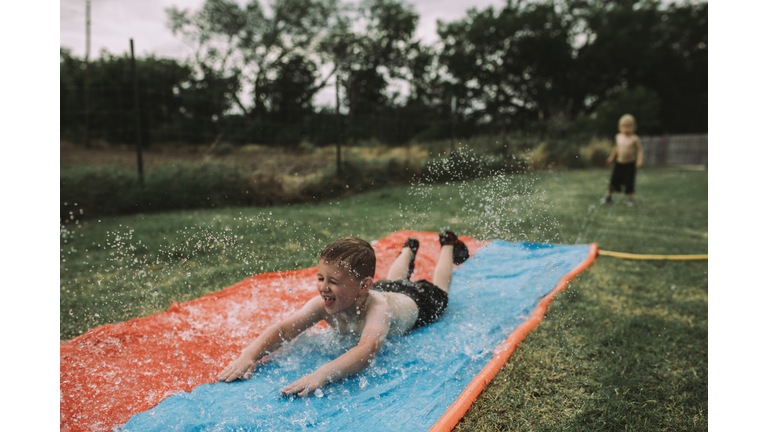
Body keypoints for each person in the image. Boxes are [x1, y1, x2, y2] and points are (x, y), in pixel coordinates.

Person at [217, 231, 470, 397]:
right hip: (386, 289)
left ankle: (447, 244)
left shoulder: (377, 309)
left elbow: (365, 350)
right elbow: (285, 329)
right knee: (393, 280)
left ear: (363, 286)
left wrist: (321, 375)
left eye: (333, 281)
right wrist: (249, 355)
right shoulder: (332, 299)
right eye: (320, 278)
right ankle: (408, 249)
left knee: (439, 289)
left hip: (418, 302)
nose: (323, 287)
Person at [601, 114, 644, 206]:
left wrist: (640, 160)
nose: (626, 128)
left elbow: (639, 150)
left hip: (630, 164)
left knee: (629, 181)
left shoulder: (634, 138)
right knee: (614, 180)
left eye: (629, 126)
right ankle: (609, 197)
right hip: (619, 163)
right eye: (624, 126)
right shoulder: (618, 137)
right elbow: (616, 148)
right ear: (620, 127)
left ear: (633, 127)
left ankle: (630, 199)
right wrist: (612, 157)